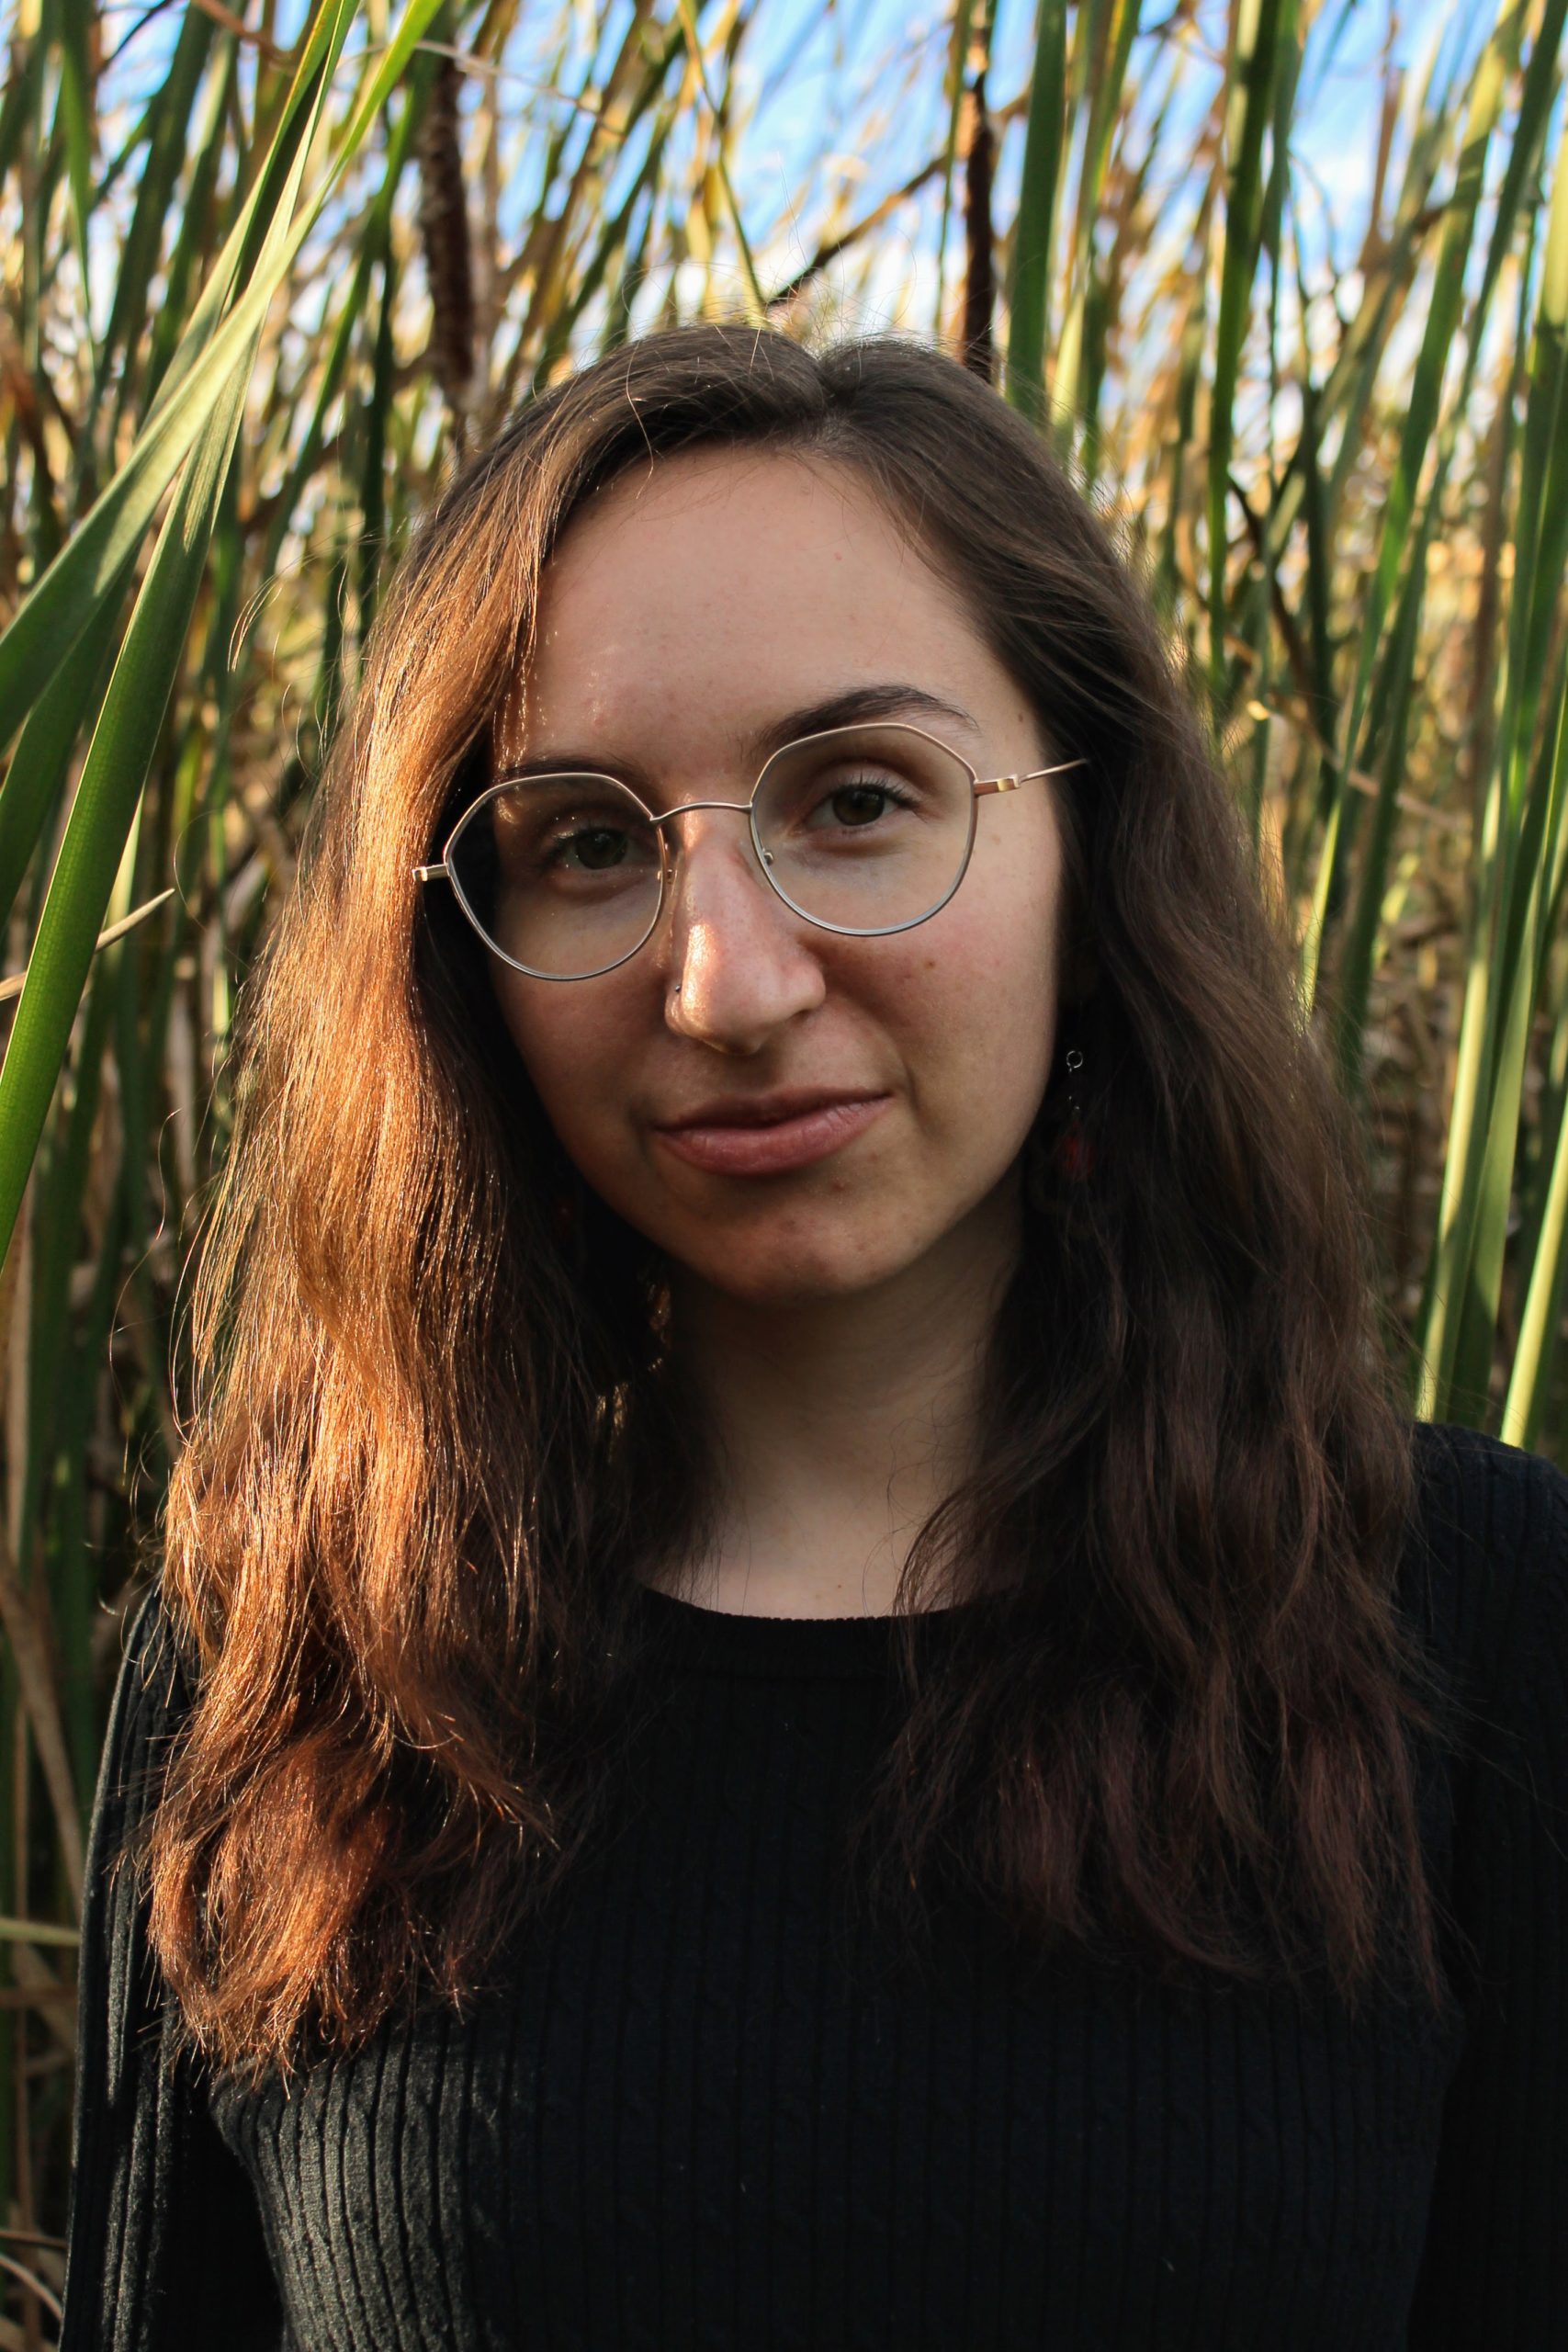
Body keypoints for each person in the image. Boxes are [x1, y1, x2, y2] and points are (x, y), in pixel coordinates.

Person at [60, 322, 1566, 2351]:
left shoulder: (1478, 1631)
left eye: (857, 796)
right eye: (586, 838)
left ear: (1085, 845)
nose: (726, 980)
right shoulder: (302, 1660)